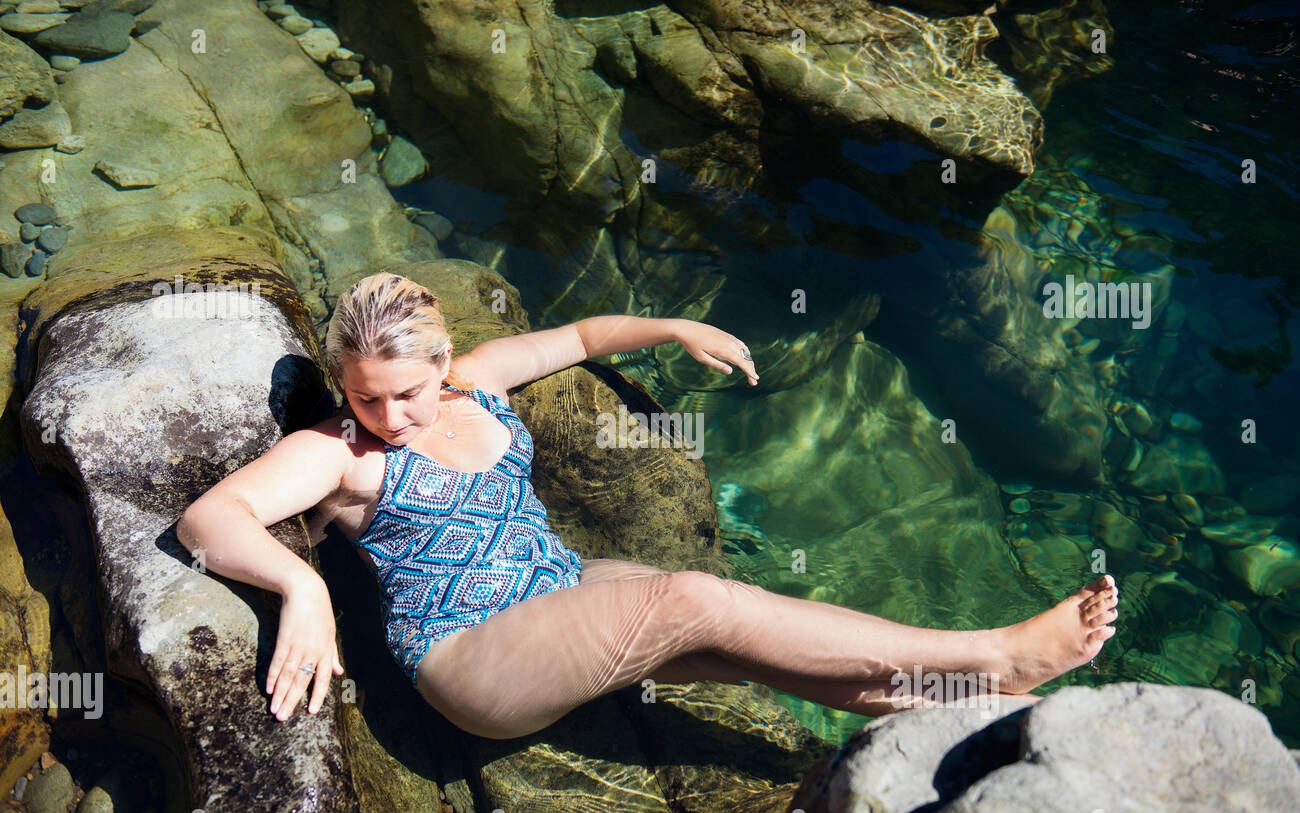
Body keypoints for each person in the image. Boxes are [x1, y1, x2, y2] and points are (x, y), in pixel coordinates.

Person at [177, 272, 1119, 739]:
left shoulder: (475, 385)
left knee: (748, 648)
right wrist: (305, 589)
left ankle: (973, 700)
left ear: (441, 360)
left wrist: (673, 325)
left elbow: (582, 335)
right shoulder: (335, 452)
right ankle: (993, 652)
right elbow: (209, 520)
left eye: (406, 392)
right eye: (365, 394)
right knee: (695, 599)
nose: (389, 415)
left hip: (566, 591)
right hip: (472, 659)